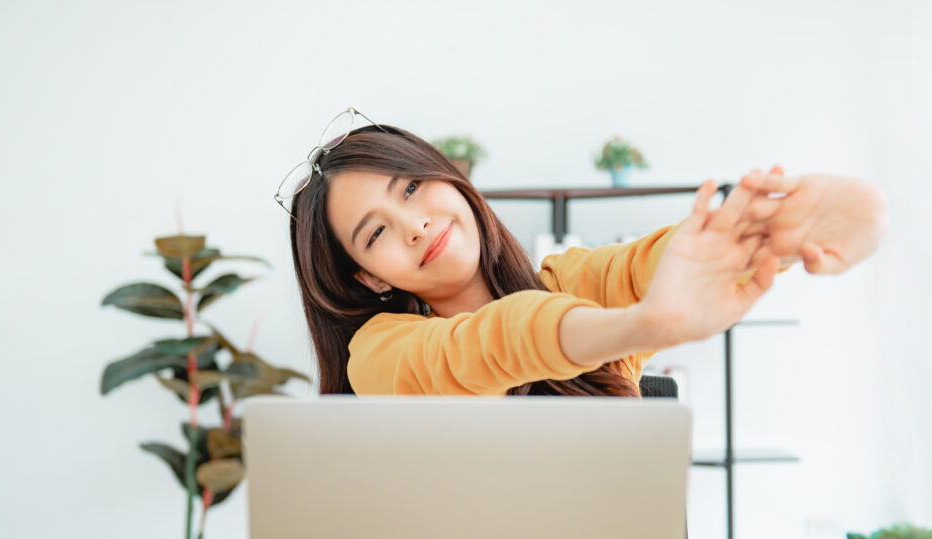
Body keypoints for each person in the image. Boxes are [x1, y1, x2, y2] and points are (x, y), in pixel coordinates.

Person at [278, 111, 888, 397]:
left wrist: (774, 231)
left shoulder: (572, 282)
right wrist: (638, 326)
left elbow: (650, 266)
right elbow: (489, 343)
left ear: (449, 177)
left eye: (411, 188)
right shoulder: (380, 356)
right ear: (367, 275)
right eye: (375, 233)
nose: (413, 224)